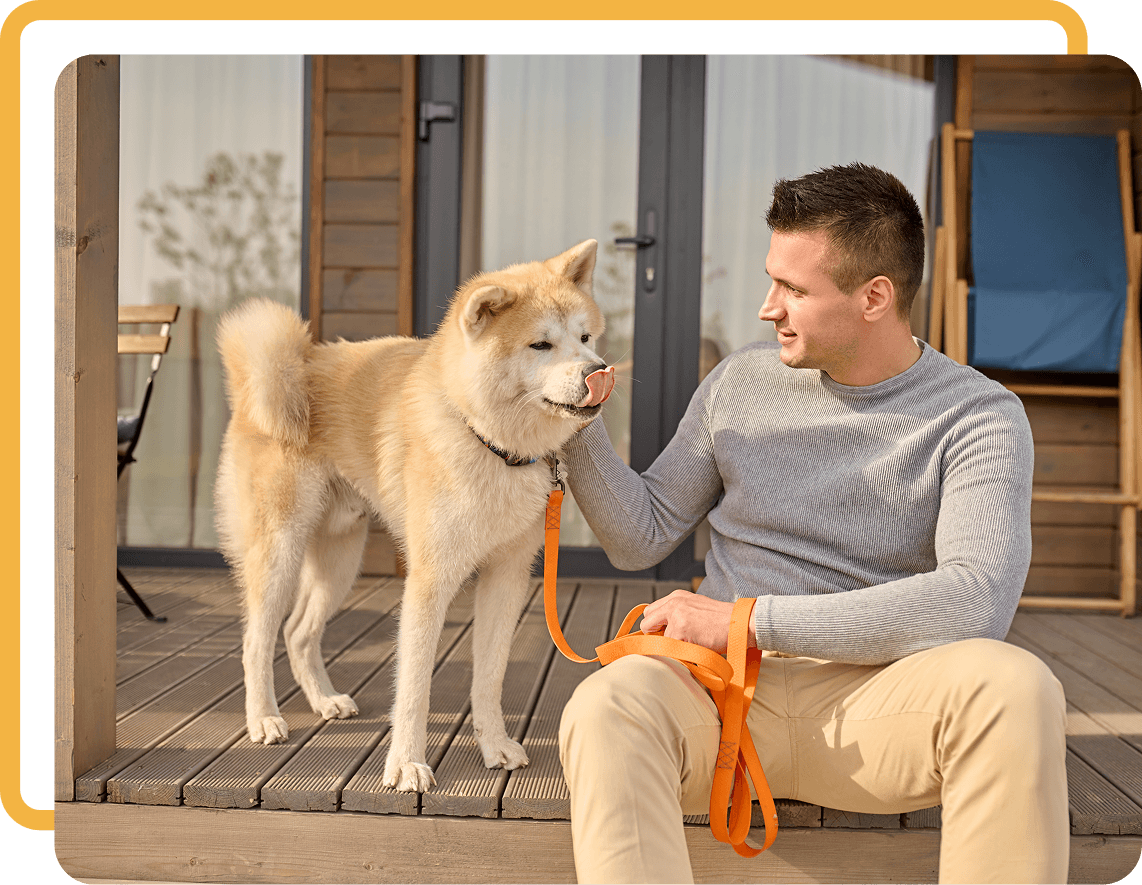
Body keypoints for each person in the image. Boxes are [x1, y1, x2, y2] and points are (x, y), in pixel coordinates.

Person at [557, 163, 1068, 885]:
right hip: (720, 699)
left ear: (874, 297)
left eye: (794, 289)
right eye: (773, 282)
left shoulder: (978, 416)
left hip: (875, 706)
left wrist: (748, 620)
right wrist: (578, 427)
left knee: (1016, 687)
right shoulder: (739, 382)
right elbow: (641, 534)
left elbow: (974, 600)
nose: (768, 308)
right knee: (607, 706)